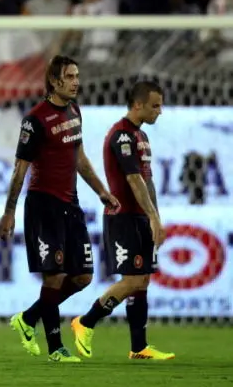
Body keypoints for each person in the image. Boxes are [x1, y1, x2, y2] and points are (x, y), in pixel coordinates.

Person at [0, 55, 120, 363]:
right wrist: (9, 211)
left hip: (71, 204)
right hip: (43, 205)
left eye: (77, 75)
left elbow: (79, 157)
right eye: (70, 76)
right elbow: (19, 169)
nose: (76, 81)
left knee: (82, 277)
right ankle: (56, 348)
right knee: (54, 276)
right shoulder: (35, 119)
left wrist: (102, 191)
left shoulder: (75, 111)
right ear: (54, 81)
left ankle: (28, 318)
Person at [71, 81, 175, 360]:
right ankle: (85, 322)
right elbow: (132, 179)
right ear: (138, 104)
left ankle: (139, 348)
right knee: (131, 280)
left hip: (141, 217)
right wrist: (152, 216)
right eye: (155, 105)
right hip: (123, 218)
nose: (160, 111)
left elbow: (147, 180)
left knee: (142, 283)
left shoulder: (141, 136)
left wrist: (156, 217)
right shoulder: (121, 136)